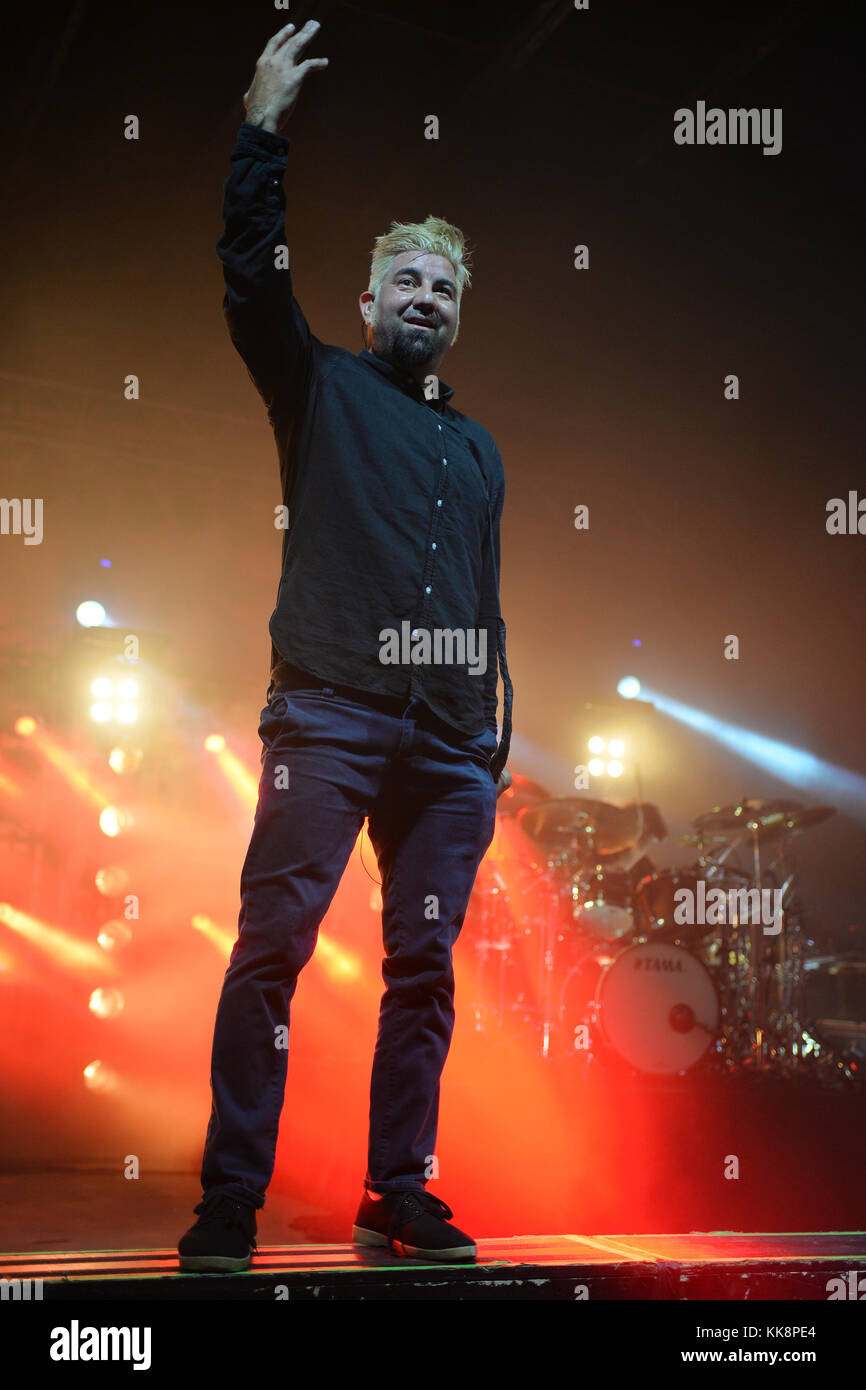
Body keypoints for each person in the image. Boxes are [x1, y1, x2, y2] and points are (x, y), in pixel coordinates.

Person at [178, 18, 513, 1272]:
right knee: (274, 949)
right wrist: (260, 129)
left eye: (442, 288)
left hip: (444, 745)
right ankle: (229, 1197)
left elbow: (485, 601)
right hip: (326, 712)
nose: (422, 299)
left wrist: (489, 738)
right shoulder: (317, 382)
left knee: (421, 970)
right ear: (369, 300)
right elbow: (247, 274)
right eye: (404, 284)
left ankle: (396, 1186)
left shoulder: (478, 449)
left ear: (453, 313)